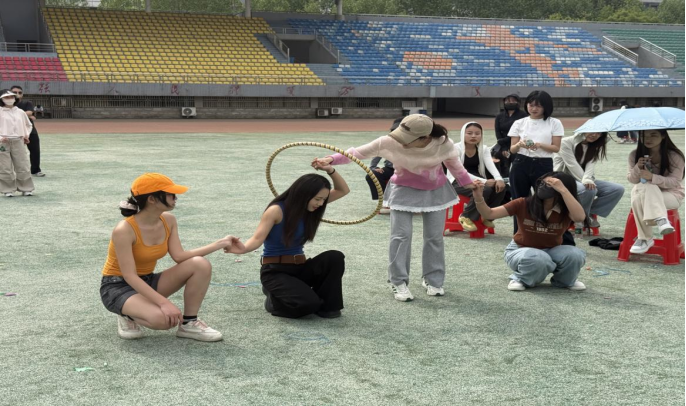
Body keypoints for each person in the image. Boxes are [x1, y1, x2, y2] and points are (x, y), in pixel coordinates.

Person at [314, 114, 475, 301]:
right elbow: (356, 153)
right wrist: (330, 159)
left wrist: (470, 184)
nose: (401, 141)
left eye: (407, 138)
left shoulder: (443, 144)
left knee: (434, 237)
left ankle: (433, 279)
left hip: (435, 192)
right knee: (400, 236)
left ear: (425, 137)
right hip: (403, 191)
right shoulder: (389, 141)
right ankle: (398, 281)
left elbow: (456, 168)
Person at [101, 173, 237, 341]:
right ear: (152, 199)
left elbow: (180, 256)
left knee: (200, 264)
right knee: (164, 320)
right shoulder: (124, 229)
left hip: (147, 280)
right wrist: (164, 303)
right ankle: (126, 313)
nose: (175, 198)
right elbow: (129, 276)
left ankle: (189, 323)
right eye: (170, 194)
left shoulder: (169, 220)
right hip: (117, 286)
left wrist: (220, 243)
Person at [226, 167, 350, 319]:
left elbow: (343, 190)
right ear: (303, 195)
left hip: (300, 268)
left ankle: (328, 308)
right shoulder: (276, 210)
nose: (321, 203)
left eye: (324, 199)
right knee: (309, 305)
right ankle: (274, 300)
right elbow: (257, 238)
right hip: (275, 272)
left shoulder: (311, 206)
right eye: (318, 199)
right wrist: (243, 249)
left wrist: (330, 170)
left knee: (335, 257)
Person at [472, 172, 587, 291]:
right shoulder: (523, 203)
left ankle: (565, 281)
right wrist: (478, 197)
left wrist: (563, 190)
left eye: (550, 184)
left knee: (575, 254)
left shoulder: (566, 208)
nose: (543, 186)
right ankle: (520, 279)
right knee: (538, 257)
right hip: (520, 249)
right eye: (542, 183)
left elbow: (579, 217)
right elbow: (489, 213)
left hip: (552, 250)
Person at [508, 91, 564, 233]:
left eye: (538, 106)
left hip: (543, 163)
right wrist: (519, 144)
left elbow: (556, 148)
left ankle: (542, 232)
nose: (534, 109)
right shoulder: (519, 122)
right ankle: (519, 233)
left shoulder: (554, 122)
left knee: (545, 199)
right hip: (521, 162)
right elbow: (512, 150)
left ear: (546, 106)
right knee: (518, 200)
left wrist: (539, 145)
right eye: (531, 105)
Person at [627, 129, 685, 254]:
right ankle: (661, 220)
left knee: (642, 191)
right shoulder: (635, 155)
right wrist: (638, 167)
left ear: (663, 136)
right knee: (642, 187)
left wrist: (652, 177)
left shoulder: (674, 156)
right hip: (645, 194)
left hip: (671, 195)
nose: (648, 139)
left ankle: (644, 238)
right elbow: (632, 180)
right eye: (644, 135)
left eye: (653, 135)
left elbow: (675, 182)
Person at [553, 131, 625, 231]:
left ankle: (588, 213)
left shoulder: (596, 145)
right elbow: (572, 164)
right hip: (564, 179)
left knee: (617, 189)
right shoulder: (565, 142)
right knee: (589, 189)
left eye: (599, 133)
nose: (594, 135)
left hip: (583, 179)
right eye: (591, 131)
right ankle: (581, 218)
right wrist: (586, 180)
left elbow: (591, 165)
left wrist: (587, 179)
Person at [449, 121, 507, 231]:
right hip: (457, 181)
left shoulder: (483, 149)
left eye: (477, 133)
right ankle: (466, 216)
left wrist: (499, 179)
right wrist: (485, 182)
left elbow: (490, 165)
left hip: (477, 179)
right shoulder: (455, 149)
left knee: (501, 188)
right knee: (484, 190)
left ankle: (488, 216)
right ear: (463, 134)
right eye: (469, 133)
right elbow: (460, 172)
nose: (473, 136)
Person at [0, 89, 34, 197]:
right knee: (5, 166)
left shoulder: (20, 112)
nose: (9, 99)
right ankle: (7, 190)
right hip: (3, 142)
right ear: (2, 99)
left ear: (15, 99)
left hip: (18, 140)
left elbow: (28, 125)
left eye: (11, 97)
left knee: (23, 165)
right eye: (6, 97)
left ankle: (26, 188)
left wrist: (26, 135)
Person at [11, 85, 44, 177]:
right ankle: (13, 171)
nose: (17, 94)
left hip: (30, 131)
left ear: (22, 94)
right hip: (13, 132)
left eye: (19, 92)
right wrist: (26, 115)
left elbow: (30, 112)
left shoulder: (27, 103)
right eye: (14, 92)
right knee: (13, 152)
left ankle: (35, 170)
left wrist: (13, 115)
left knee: (35, 151)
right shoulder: (6, 104)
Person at [493, 94, 528, 177]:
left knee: (518, 168)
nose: (510, 103)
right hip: (503, 145)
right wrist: (504, 147)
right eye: (508, 101)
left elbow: (521, 132)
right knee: (503, 168)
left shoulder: (524, 115)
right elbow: (498, 132)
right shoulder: (499, 116)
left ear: (518, 102)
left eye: (513, 101)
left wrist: (503, 140)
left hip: (518, 144)